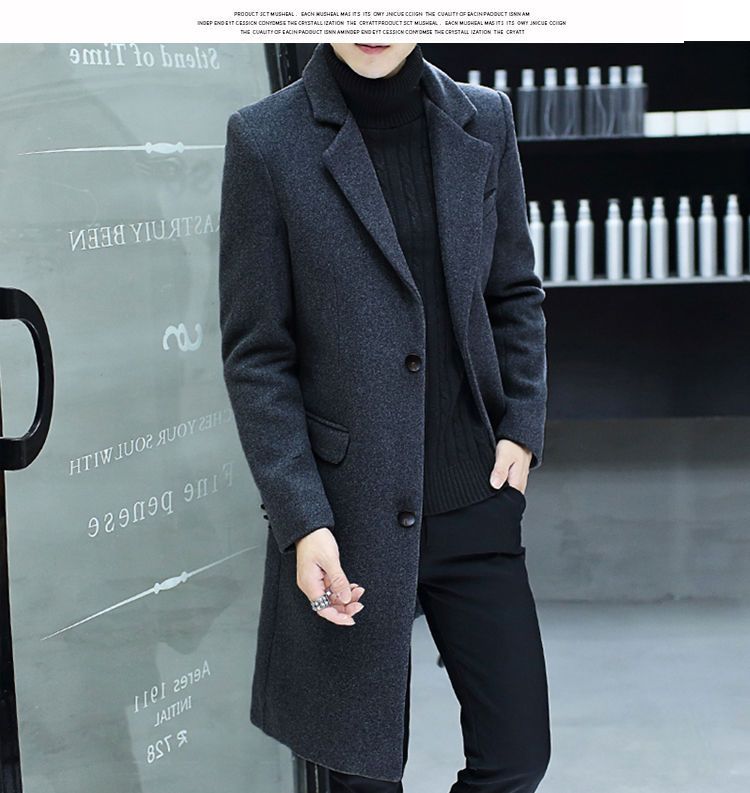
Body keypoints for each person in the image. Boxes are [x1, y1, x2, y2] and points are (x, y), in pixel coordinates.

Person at [219, 41, 551, 792]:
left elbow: (513, 292)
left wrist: (522, 426)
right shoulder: (265, 139)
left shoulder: (485, 118)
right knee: (361, 775)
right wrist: (303, 520)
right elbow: (257, 355)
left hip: (473, 493)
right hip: (347, 515)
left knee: (517, 755)